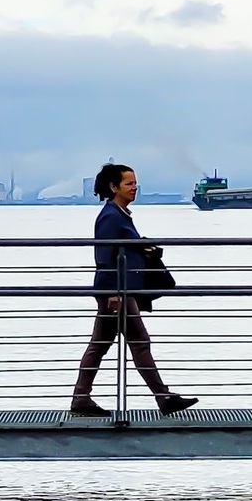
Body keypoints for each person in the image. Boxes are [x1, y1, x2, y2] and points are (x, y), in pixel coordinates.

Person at [70, 163, 198, 416]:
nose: (134, 188)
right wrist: (114, 294)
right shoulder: (111, 216)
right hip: (117, 291)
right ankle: (163, 398)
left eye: (135, 183)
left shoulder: (118, 213)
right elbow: (104, 257)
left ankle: (81, 398)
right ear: (113, 187)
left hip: (118, 290)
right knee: (138, 342)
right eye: (128, 183)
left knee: (101, 344)